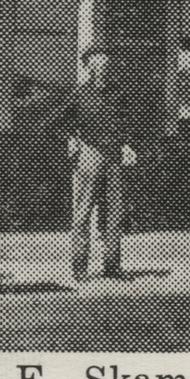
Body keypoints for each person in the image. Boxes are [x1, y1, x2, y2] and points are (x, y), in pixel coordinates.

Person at [64, 47, 137, 282]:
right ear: (88, 65)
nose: (102, 65)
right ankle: (79, 268)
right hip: (89, 156)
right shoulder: (80, 94)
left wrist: (127, 144)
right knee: (83, 212)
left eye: (105, 60)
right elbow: (56, 122)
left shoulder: (119, 93)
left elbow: (127, 122)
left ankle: (112, 267)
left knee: (115, 213)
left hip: (115, 158)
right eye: (97, 61)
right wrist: (71, 139)